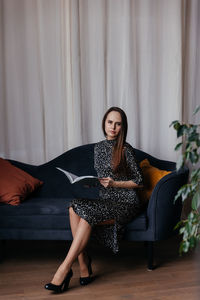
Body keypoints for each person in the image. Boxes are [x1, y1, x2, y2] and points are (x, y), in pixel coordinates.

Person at [44, 106, 143, 293]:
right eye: (110, 122)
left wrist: (115, 184)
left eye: (118, 124)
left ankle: (64, 269)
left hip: (126, 203)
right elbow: (103, 179)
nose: (113, 127)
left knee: (86, 213)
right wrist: (92, 184)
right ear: (104, 123)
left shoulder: (126, 149)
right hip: (106, 200)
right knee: (73, 207)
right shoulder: (98, 148)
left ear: (123, 127)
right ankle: (84, 263)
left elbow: (139, 181)